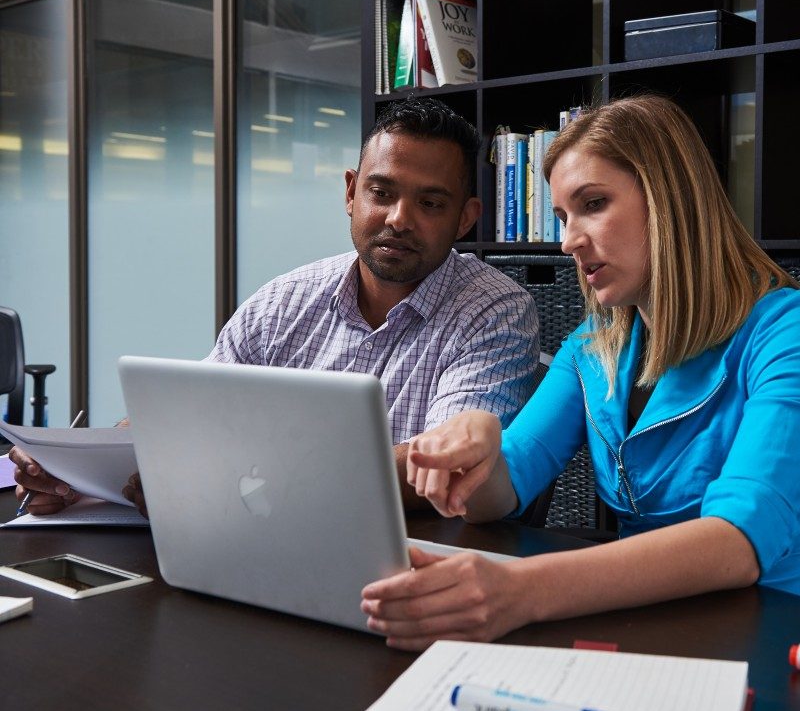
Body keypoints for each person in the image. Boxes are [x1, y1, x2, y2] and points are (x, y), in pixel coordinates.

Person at [360, 94, 800, 650]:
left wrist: (521, 590)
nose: (568, 241)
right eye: (563, 216)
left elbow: (738, 542)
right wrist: (482, 450)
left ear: (671, 200)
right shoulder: (594, 345)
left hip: (778, 642)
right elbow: (502, 493)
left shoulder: (788, 329)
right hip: (648, 627)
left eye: (592, 204)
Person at [11, 97, 539, 517]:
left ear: (466, 218)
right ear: (351, 193)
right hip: (256, 538)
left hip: (412, 560)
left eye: (430, 203)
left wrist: (236, 477)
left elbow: (445, 470)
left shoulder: (494, 311)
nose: (399, 219)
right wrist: (82, 470)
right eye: (381, 192)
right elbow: (194, 410)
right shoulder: (285, 300)